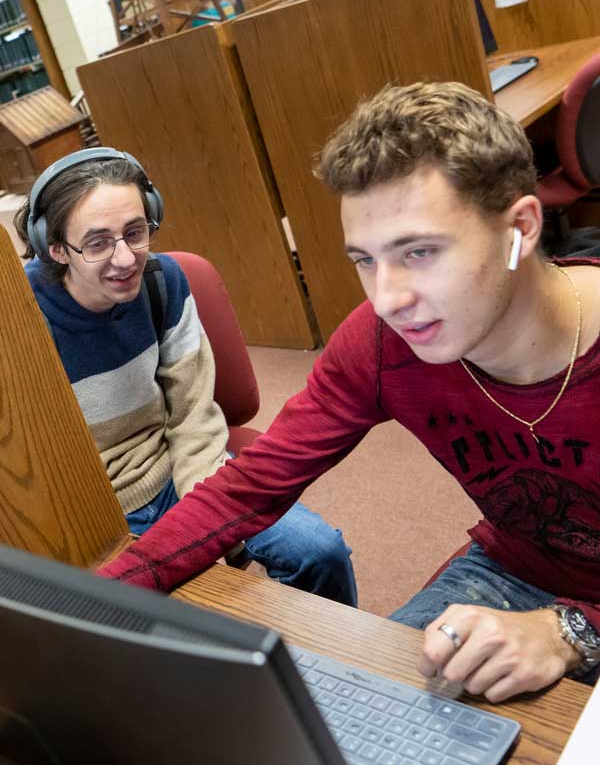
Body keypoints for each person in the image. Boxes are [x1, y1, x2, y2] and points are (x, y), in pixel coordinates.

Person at [97, 83, 600, 702]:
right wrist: (94, 606)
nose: (387, 298)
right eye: (365, 260)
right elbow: (251, 488)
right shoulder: (385, 342)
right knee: (362, 718)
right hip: (515, 571)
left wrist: (571, 631)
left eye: (419, 252)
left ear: (519, 229)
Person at [14, 148, 357, 606]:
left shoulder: (162, 281)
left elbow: (193, 412)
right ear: (55, 249)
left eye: (135, 233)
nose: (124, 259)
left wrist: (210, 526)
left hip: (177, 470)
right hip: (96, 512)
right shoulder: (20, 320)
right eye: (97, 243)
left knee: (320, 553)